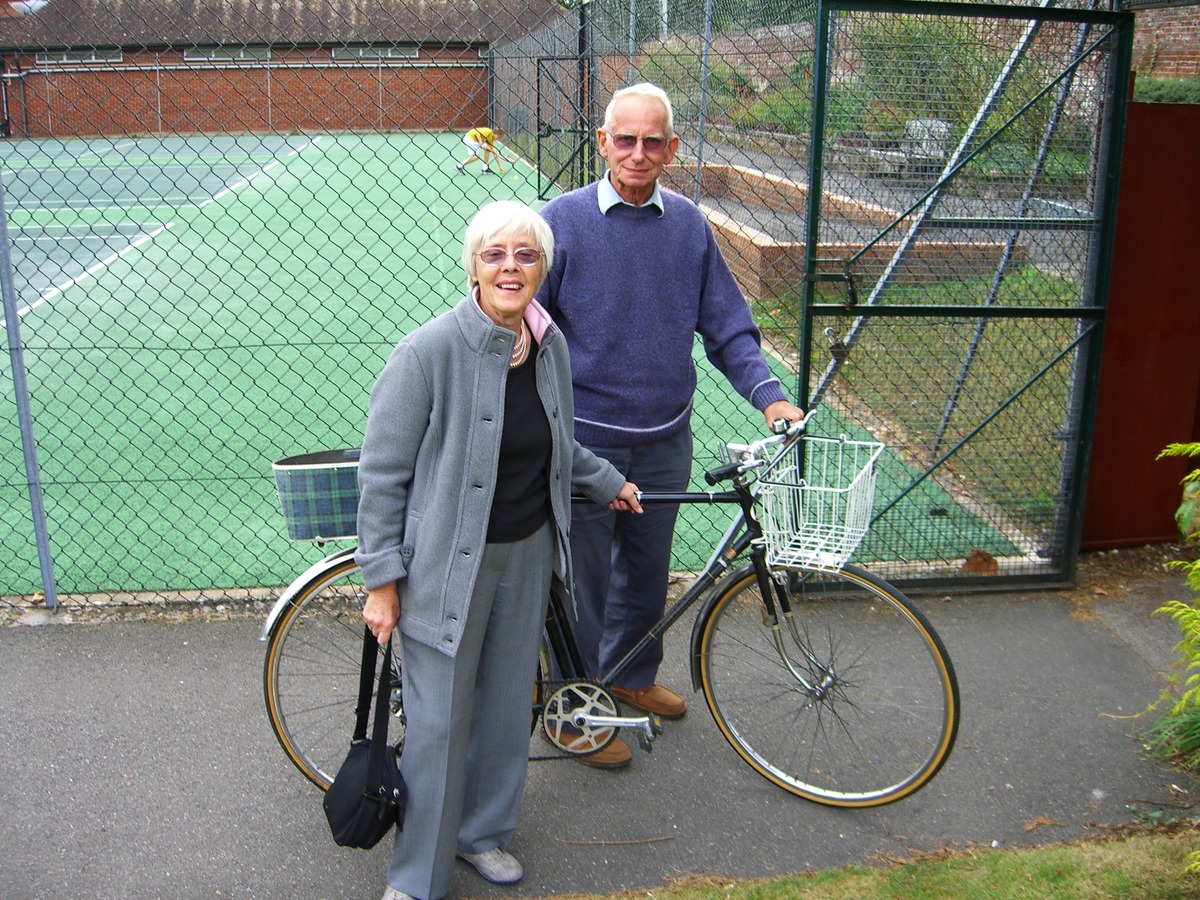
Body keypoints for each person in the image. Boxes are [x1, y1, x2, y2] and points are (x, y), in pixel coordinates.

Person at [356, 200, 642, 900]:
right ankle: (418, 876)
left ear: (542, 267)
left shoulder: (550, 347)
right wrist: (382, 579)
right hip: (444, 569)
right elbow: (383, 471)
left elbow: (557, 440)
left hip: (528, 554)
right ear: (473, 266)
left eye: (525, 254)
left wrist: (609, 481)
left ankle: (482, 835)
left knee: (507, 709)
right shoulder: (427, 352)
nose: (511, 267)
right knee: (438, 724)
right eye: (496, 254)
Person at [535, 82, 805, 769]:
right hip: (586, 442)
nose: (638, 152)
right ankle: (575, 707)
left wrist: (769, 396)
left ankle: (629, 677)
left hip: (663, 436)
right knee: (583, 580)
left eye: (653, 141)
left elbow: (728, 328)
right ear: (602, 143)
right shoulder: (559, 223)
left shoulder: (689, 226)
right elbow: (523, 326)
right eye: (624, 139)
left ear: (672, 149)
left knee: (647, 569)